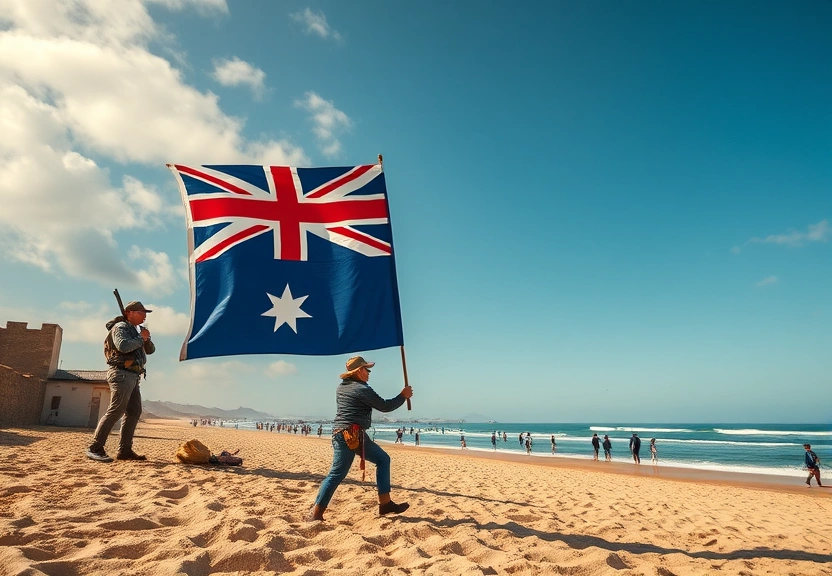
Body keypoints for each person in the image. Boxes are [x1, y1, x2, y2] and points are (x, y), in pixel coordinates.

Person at [308, 356, 413, 521]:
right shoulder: (361, 389)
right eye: (367, 369)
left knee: (383, 459)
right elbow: (385, 406)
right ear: (358, 371)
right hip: (349, 435)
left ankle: (385, 504)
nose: (369, 372)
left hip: (349, 433)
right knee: (337, 474)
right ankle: (316, 514)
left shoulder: (342, 387)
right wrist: (403, 395)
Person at [86, 301, 155, 462]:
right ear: (129, 313)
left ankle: (125, 450)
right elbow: (122, 346)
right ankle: (95, 447)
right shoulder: (120, 327)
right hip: (121, 373)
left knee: (134, 412)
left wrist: (146, 339)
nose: (144, 316)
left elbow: (150, 350)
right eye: (141, 312)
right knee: (116, 409)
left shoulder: (136, 330)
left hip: (133, 375)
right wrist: (141, 338)